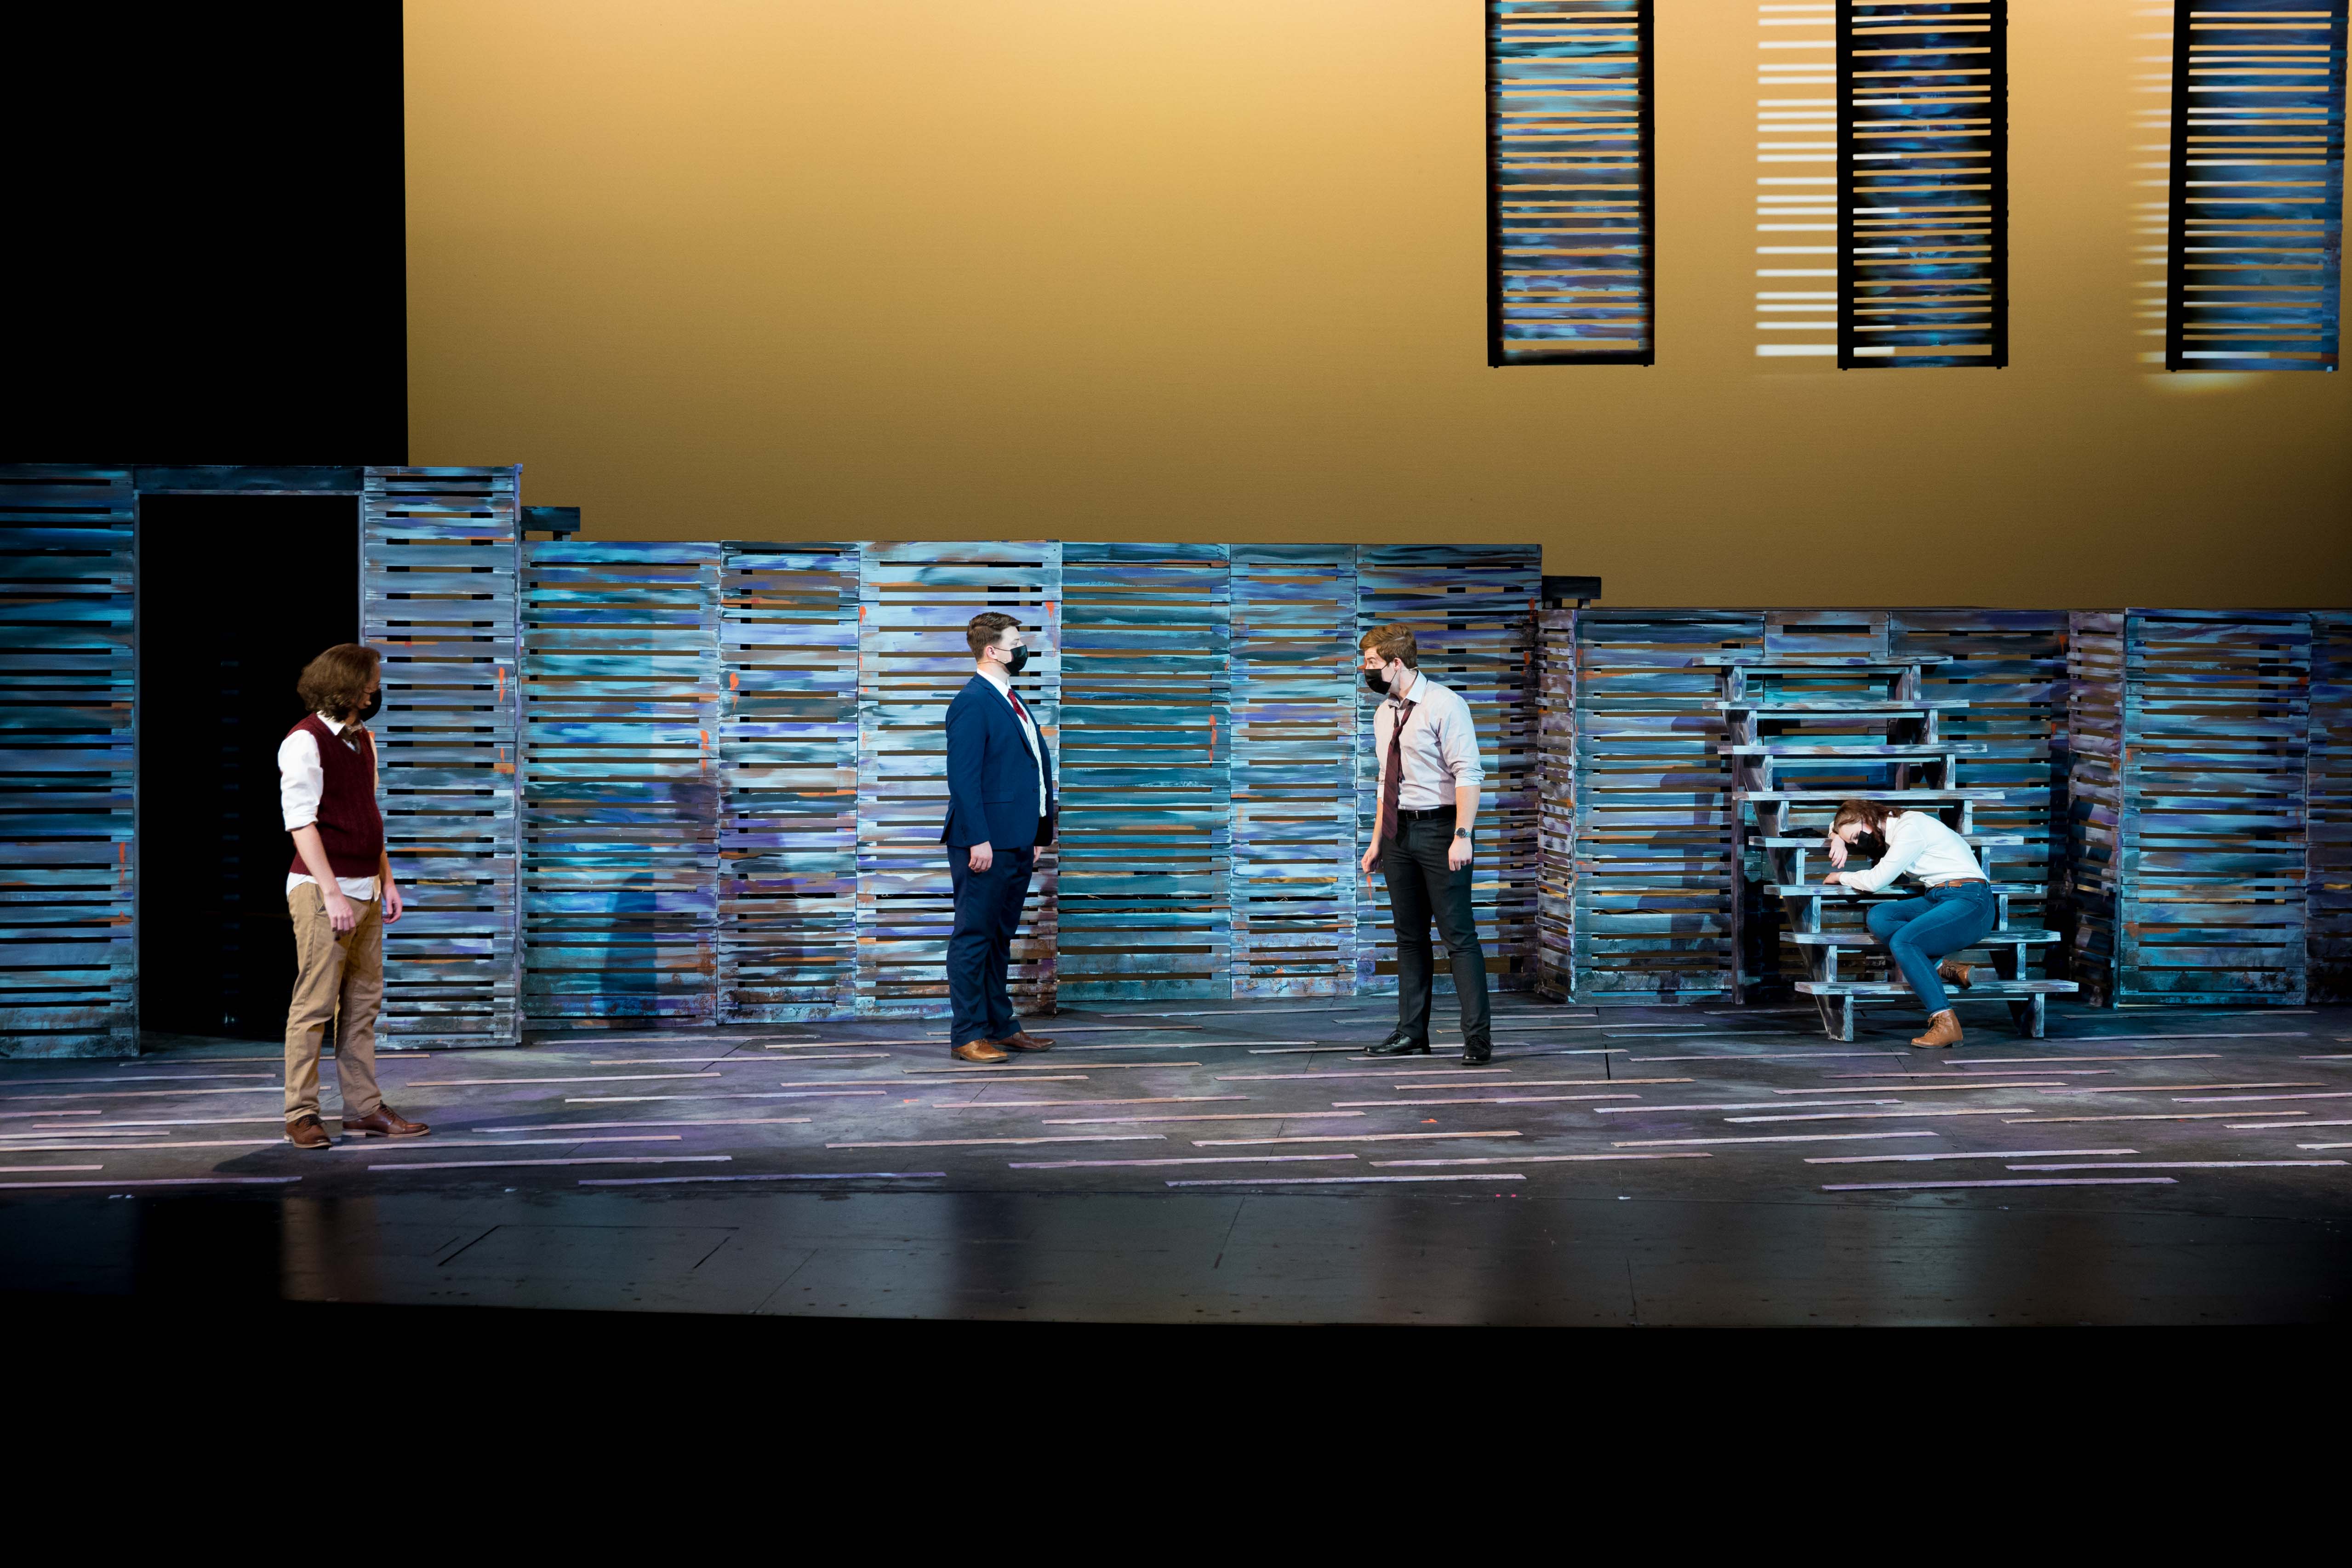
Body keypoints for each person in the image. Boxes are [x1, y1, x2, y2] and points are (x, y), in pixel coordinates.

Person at [279, 643, 429, 1147]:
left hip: (364, 886)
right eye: (371, 681)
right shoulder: (305, 741)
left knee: (362, 1004)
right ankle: (301, 1113)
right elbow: (301, 824)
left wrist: (386, 880)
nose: (375, 690)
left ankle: (364, 1109)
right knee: (315, 1007)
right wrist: (333, 893)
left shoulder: (363, 740)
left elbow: (369, 815)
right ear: (350, 685)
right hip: (325, 890)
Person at [1357, 626, 1493, 1064]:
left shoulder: (1445, 705)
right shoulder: (1384, 714)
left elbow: (1469, 775)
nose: (1367, 671)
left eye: (1373, 664)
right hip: (1399, 833)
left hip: (1441, 830)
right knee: (1409, 937)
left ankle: (1477, 1040)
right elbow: (1386, 781)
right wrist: (1378, 840)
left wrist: (1462, 835)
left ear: (1397, 664)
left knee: (1458, 937)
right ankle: (1412, 1032)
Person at [940, 611, 1058, 1064]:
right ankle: (967, 1035)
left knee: (998, 938)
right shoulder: (972, 702)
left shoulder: (1011, 699)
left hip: (1017, 839)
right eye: (1016, 641)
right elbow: (964, 780)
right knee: (973, 937)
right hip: (984, 843)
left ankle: (1001, 1026)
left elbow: (1032, 774)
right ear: (993, 651)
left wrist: (1040, 831)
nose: (1023, 647)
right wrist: (977, 839)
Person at [1821, 798, 1993, 1049]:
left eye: (1857, 836)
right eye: (1853, 842)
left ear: (1868, 817)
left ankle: (1945, 1021)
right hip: (1938, 897)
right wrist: (1837, 836)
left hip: (1971, 900)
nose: (1859, 844)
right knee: (1880, 916)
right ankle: (1940, 967)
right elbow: (1846, 821)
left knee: (1904, 941)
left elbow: (1874, 881)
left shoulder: (1910, 828)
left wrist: (1840, 876)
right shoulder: (1882, 825)